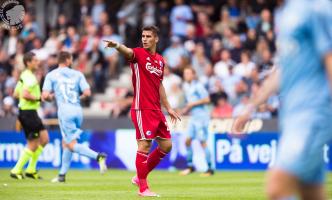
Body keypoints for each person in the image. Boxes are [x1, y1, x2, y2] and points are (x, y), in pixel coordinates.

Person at [232, 0, 332, 199]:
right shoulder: (285, 13)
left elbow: (329, 59)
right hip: (293, 114)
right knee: (310, 192)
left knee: (277, 187)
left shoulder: (317, 7)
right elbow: (283, 71)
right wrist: (250, 107)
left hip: (312, 111)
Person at [104, 25, 180, 197]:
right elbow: (128, 52)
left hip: (156, 109)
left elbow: (159, 85)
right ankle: (143, 188)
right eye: (143, 36)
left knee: (167, 145)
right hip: (142, 108)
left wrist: (168, 107)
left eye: (148, 36)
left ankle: (140, 177)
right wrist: (117, 46)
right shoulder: (138, 54)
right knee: (145, 145)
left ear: (156, 39)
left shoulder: (160, 60)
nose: (144, 38)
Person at [41, 51, 107, 183]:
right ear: (67, 60)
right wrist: (77, 97)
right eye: (71, 59)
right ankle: (62, 175)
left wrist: (51, 97)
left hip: (65, 111)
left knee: (71, 144)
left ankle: (98, 156)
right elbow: (87, 93)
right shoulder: (78, 74)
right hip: (78, 110)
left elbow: (45, 96)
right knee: (66, 143)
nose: (72, 61)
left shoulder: (51, 75)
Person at [10, 52, 49, 180]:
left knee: (44, 139)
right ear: (28, 63)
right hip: (28, 113)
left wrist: (28, 97)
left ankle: (31, 169)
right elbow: (25, 94)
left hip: (30, 112)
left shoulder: (25, 75)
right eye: (35, 61)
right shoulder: (30, 78)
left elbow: (16, 94)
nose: (38, 63)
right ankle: (16, 170)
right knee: (33, 144)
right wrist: (38, 98)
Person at [179, 67, 214, 177]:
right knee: (187, 141)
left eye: (189, 73)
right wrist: (184, 110)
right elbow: (190, 103)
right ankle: (190, 166)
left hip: (202, 117)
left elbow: (207, 99)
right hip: (193, 118)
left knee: (202, 142)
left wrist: (193, 104)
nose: (186, 75)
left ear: (193, 75)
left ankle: (209, 169)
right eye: (185, 73)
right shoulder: (186, 86)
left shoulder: (198, 86)